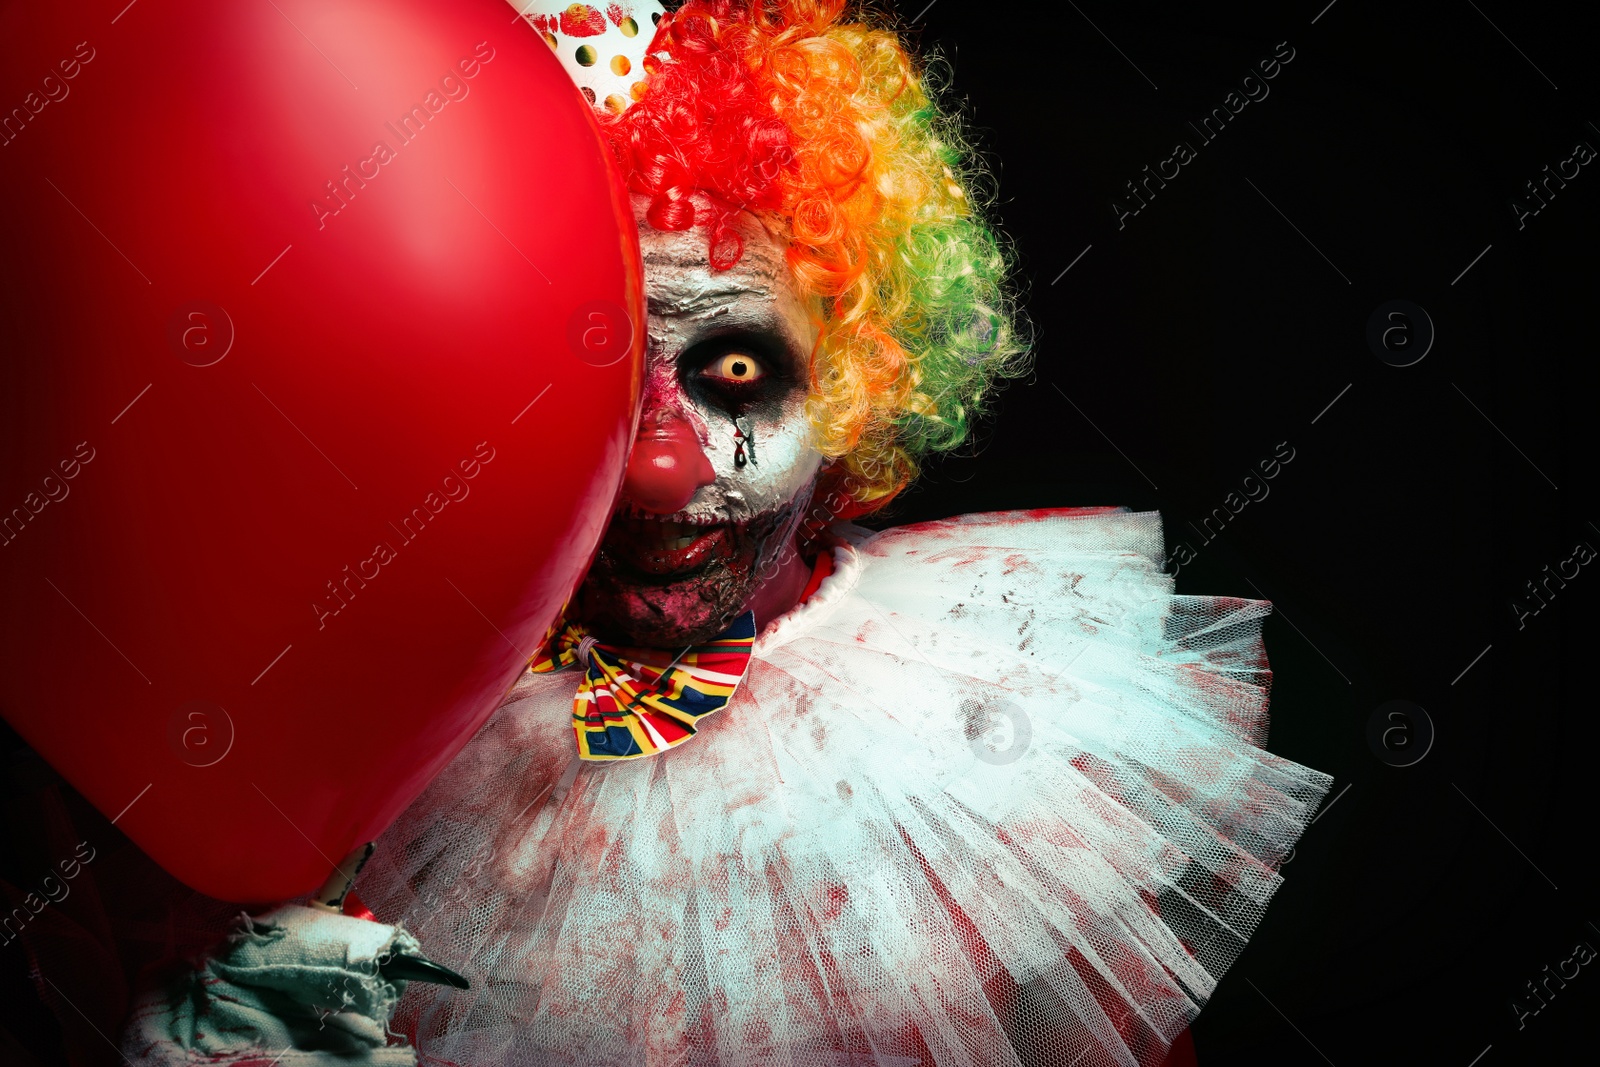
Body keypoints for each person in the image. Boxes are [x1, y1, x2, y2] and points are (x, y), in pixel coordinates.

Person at [59, 1, 1333, 1064]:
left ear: (853, 386)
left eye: (732, 369)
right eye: (600, 383)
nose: (664, 472)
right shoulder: (376, 749)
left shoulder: (992, 751)